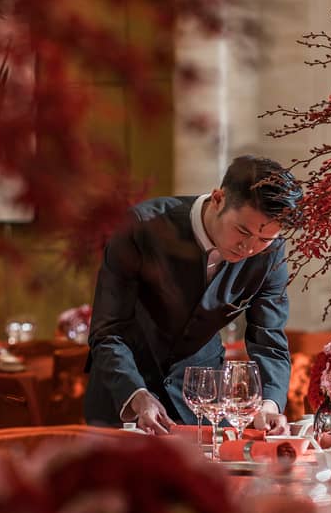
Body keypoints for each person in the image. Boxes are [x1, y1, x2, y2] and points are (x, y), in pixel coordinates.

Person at [83, 155, 297, 433]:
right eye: (242, 231)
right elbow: (108, 330)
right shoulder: (142, 226)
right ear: (218, 198)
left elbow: (269, 340)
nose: (249, 248)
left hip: (202, 404)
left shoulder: (270, 253)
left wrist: (269, 404)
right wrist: (136, 394)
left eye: (264, 239)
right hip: (123, 395)